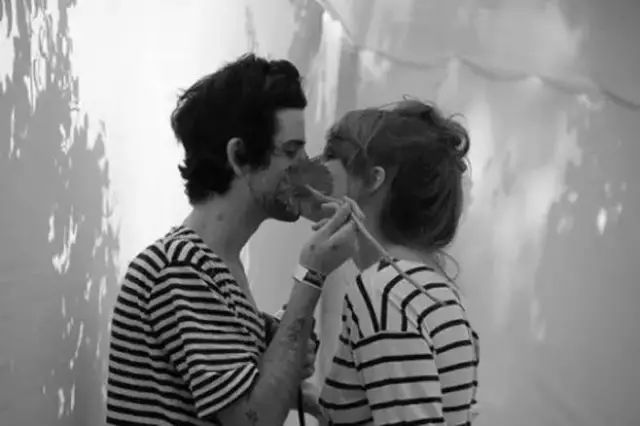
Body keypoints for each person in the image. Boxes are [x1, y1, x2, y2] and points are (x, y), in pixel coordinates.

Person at [105, 54, 360, 426]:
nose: (306, 166)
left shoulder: (215, 266)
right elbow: (253, 420)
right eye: (291, 151)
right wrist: (311, 277)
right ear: (239, 156)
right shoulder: (180, 268)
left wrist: (285, 350)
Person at [316, 100, 480, 425]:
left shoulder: (382, 292)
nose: (318, 168)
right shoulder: (437, 290)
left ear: (373, 179)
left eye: (333, 156)